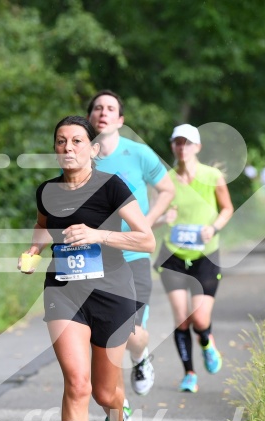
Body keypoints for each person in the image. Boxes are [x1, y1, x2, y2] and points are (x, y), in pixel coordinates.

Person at [19, 116, 155, 421]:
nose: (68, 147)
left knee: (104, 392)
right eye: (61, 141)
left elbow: (146, 239)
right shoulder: (47, 191)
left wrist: (98, 234)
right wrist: (32, 252)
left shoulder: (111, 186)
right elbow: (43, 226)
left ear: (92, 149)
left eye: (77, 140)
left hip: (112, 293)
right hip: (64, 292)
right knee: (77, 384)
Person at [87, 90, 175, 399]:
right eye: (97, 107)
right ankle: (115, 404)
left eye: (110, 108)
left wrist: (147, 222)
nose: (103, 112)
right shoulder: (81, 157)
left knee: (130, 330)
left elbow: (166, 188)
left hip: (133, 253)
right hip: (95, 256)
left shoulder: (137, 153)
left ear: (120, 120)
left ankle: (140, 359)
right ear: (90, 118)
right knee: (101, 331)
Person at [153, 124, 234, 393]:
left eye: (187, 143)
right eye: (177, 142)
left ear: (197, 147)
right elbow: (149, 220)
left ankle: (206, 341)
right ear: (172, 146)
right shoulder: (165, 180)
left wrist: (215, 227)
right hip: (173, 256)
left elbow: (227, 208)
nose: (182, 147)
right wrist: (165, 218)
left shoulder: (212, 176)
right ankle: (189, 373)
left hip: (205, 255)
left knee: (199, 319)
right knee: (181, 318)